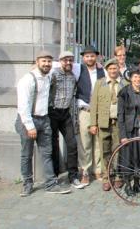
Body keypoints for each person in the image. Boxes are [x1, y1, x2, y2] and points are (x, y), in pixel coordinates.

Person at [15, 50, 71, 196]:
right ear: (37, 61)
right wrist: (29, 126)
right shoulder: (27, 80)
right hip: (28, 120)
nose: (47, 64)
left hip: (44, 119)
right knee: (27, 154)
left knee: (47, 153)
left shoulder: (48, 76)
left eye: (49, 61)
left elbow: (64, 62)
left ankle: (50, 184)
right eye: (44, 61)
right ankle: (27, 184)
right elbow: (23, 106)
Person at [89, 58, 127, 191]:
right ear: (107, 70)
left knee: (118, 150)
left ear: (118, 69)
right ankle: (107, 177)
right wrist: (93, 123)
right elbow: (94, 104)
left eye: (115, 68)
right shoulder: (100, 83)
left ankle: (118, 176)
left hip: (118, 123)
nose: (113, 71)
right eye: (110, 69)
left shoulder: (124, 83)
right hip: (104, 123)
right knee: (104, 151)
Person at [48, 51, 84, 189]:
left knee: (72, 144)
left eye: (70, 60)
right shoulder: (53, 74)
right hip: (53, 112)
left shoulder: (73, 77)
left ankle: (73, 176)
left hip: (66, 113)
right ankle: (55, 175)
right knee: (53, 145)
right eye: (65, 60)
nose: (68, 63)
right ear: (60, 61)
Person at [117, 67, 140, 196]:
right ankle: (128, 185)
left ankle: (137, 184)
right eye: (135, 77)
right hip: (129, 130)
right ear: (130, 78)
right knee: (129, 157)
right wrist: (122, 135)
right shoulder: (124, 93)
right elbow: (120, 115)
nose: (138, 79)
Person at [75, 45, 105, 185]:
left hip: (99, 110)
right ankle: (85, 171)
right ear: (83, 58)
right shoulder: (78, 68)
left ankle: (97, 170)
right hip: (85, 110)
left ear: (96, 57)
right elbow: (60, 63)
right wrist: (34, 66)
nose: (90, 58)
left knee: (98, 142)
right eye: (87, 56)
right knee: (85, 142)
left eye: (92, 56)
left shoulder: (102, 70)